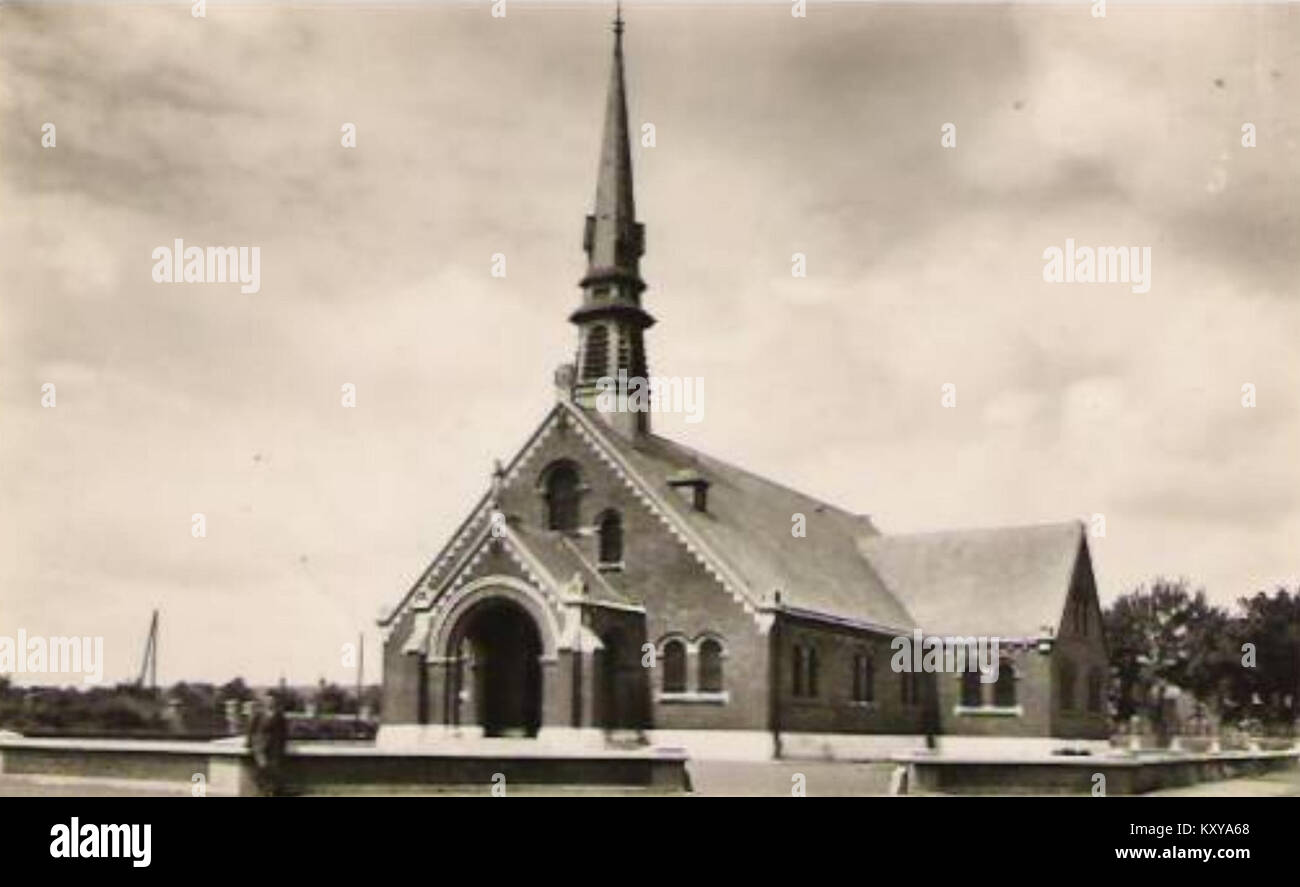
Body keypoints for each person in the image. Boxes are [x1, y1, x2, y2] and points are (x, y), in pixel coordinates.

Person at [247, 692, 288, 796]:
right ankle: (263, 790)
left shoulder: (279, 715)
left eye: (272, 701)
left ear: (275, 702)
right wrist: (249, 743)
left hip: (275, 746)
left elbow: (284, 732)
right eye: (268, 700)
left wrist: (282, 745)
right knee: (262, 768)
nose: (270, 702)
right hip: (260, 746)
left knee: (274, 769)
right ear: (264, 702)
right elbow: (251, 730)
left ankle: (274, 791)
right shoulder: (259, 714)